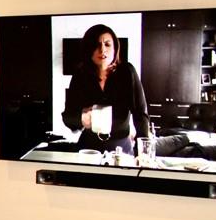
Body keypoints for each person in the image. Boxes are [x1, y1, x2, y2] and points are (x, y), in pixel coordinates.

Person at [62, 23, 151, 154]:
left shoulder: (127, 72)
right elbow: (67, 117)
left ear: (115, 49)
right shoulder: (80, 75)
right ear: (88, 50)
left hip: (120, 148)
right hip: (88, 149)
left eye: (107, 44)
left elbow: (140, 114)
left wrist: (142, 152)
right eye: (96, 45)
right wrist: (81, 118)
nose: (102, 50)